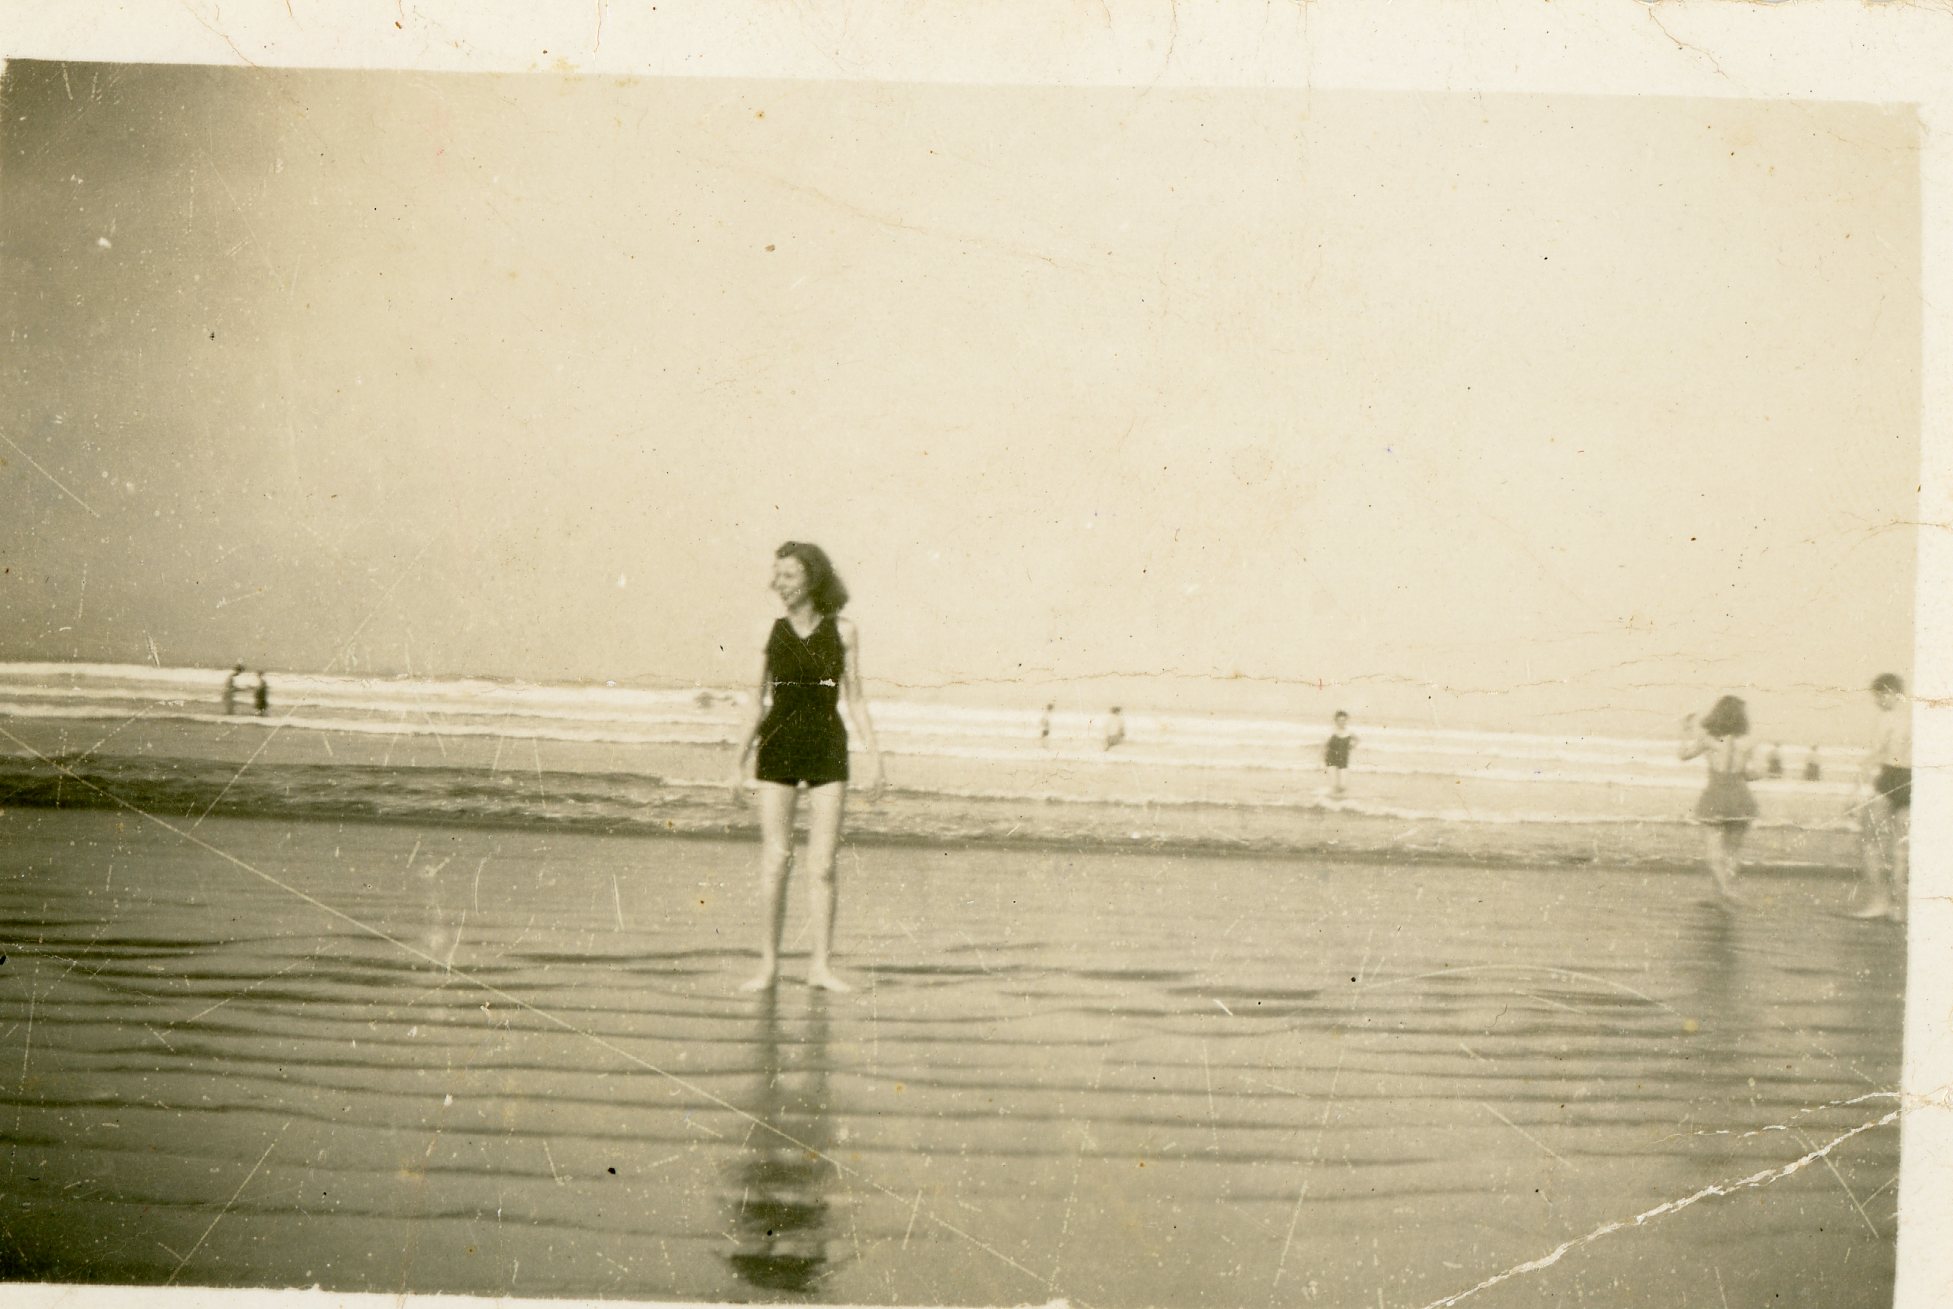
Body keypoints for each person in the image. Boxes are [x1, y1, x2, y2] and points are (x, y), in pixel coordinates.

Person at [728, 542, 885, 992]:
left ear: (813, 579)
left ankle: (820, 968)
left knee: (823, 866)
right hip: (777, 743)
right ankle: (768, 968)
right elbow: (755, 702)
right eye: (777, 575)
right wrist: (736, 763)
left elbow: (856, 699)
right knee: (776, 860)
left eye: (789, 576)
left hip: (826, 746)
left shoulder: (845, 632)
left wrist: (875, 758)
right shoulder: (768, 631)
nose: (779, 584)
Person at [1680, 697, 1759, 903]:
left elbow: (1683, 755)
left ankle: (1725, 892)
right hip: (1741, 798)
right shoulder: (1747, 743)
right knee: (1732, 853)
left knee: (1714, 852)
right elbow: (1750, 774)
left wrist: (1686, 732)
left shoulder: (1708, 740)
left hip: (1715, 797)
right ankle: (1724, 893)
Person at [1850, 673, 1911, 922]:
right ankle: (1899, 908)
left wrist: (1857, 786)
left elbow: (1876, 753)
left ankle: (1879, 902)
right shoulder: (1919, 715)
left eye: (1880, 695)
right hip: (1913, 780)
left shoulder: (1887, 718)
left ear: (1891, 692)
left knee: (1869, 842)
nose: (1877, 701)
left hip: (1890, 778)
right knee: (1901, 847)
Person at [1323, 711, 1357, 798]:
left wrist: (1351, 746)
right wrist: (1321, 760)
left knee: (1343, 786)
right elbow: (1324, 745)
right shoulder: (1331, 731)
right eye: (1340, 720)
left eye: (1344, 720)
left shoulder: (1349, 732)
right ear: (1336, 721)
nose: (1342, 722)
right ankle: (1332, 801)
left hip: (1343, 760)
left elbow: (1357, 740)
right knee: (1334, 785)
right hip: (1331, 759)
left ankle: (1337, 799)